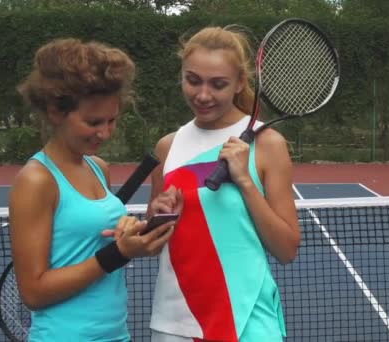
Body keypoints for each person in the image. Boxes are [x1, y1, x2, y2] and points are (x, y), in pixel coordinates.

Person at [9, 38, 175, 341]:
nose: (105, 132)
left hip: (115, 334)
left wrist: (134, 235)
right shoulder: (36, 181)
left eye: (112, 120)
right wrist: (119, 253)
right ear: (55, 112)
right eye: (93, 121)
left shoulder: (99, 167)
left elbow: (97, 244)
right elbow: (32, 292)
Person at [147, 26, 301, 342]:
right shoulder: (167, 147)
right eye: (193, 80)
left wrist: (244, 181)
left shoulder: (268, 144)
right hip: (176, 323)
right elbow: (153, 243)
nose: (203, 95)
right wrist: (155, 217)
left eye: (218, 84)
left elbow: (286, 249)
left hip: (248, 323)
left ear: (240, 83)